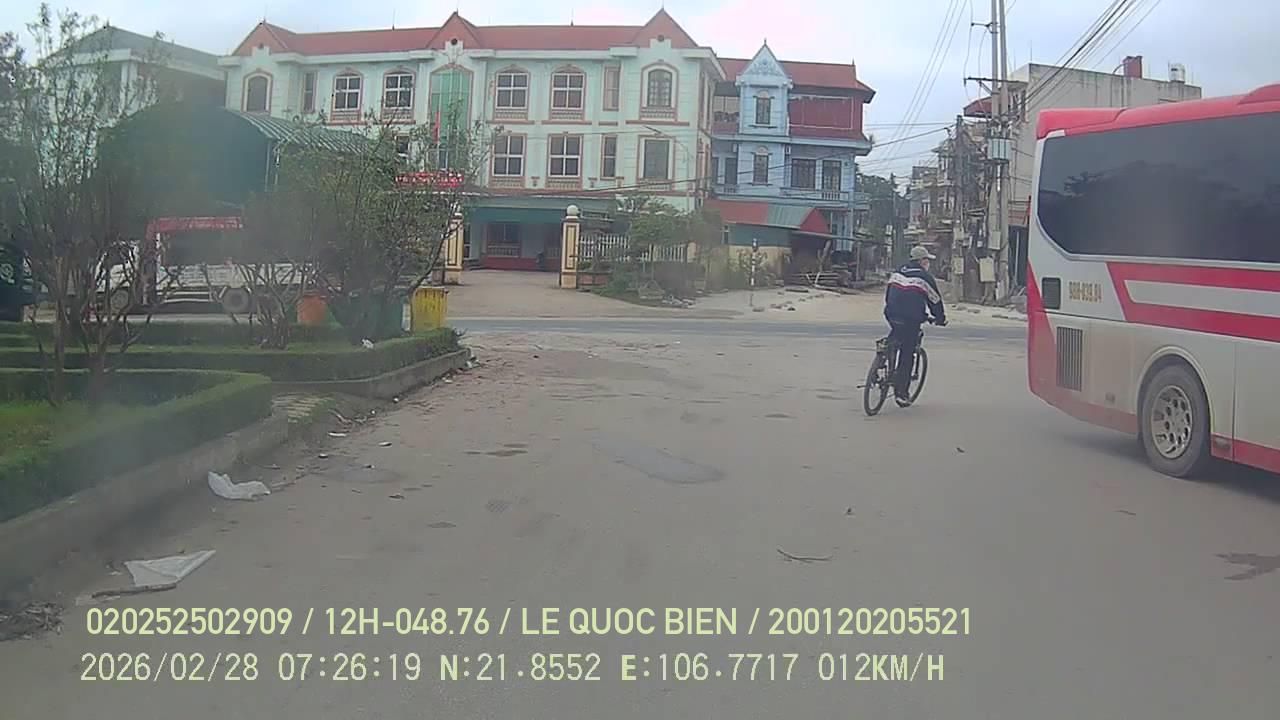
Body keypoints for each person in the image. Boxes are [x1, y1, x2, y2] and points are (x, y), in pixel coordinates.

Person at [883, 245, 947, 404]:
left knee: (897, 332)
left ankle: (885, 352)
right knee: (907, 351)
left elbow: (889, 294)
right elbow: (935, 301)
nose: (928, 263)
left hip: (891, 313)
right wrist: (940, 318)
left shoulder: (898, 271)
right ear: (922, 261)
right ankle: (901, 393)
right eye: (927, 260)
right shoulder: (925, 277)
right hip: (911, 318)